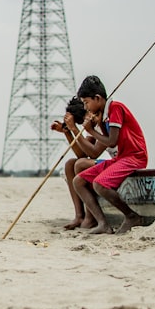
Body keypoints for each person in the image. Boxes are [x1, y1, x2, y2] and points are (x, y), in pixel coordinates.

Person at [71, 75, 148, 235]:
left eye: (86, 102)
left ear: (97, 98)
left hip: (134, 156)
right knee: (78, 181)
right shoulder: (104, 115)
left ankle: (131, 216)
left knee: (100, 183)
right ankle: (102, 223)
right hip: (121, 158)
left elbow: (111, 141)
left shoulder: (116, 108)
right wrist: (98, 124)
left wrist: (91, 130)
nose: (86, 107)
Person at [51, 97, 107, 229]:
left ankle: (90, 217)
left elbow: (93, 153)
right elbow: (82, 154)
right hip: (104, 163)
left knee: (80, 164)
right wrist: (68, 132)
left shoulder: (102, 124)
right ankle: (79, 215)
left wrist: (76, 130)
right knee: (70, 164)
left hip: (116, 162)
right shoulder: (92, 128)